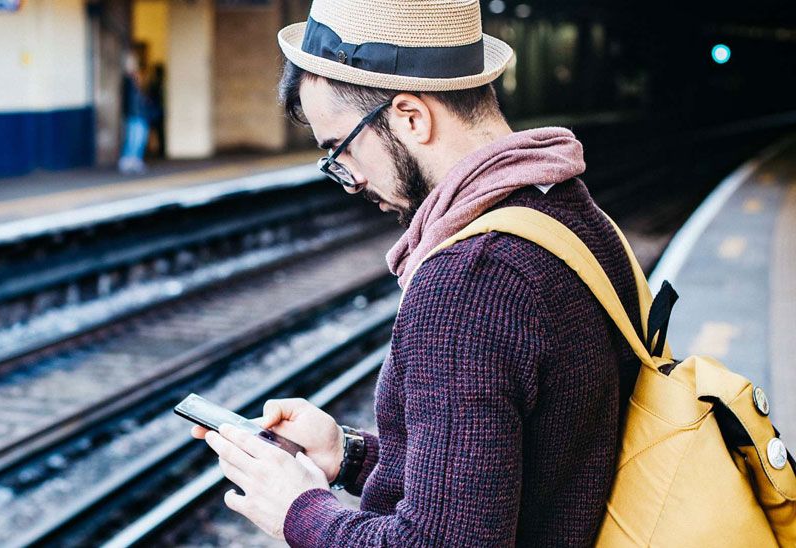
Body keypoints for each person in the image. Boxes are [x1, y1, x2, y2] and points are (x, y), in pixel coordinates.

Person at [191, 0, 641, 545]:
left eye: (341, 149)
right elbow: (515, 472)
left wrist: (299, 510)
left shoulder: (469, 282)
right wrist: (346, 453)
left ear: (411, 116)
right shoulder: (570, 216)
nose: (350, 180)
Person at [119, 50, 151, 174]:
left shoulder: (137, 78)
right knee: (133, 138)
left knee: (140, 137)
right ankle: (128, 160)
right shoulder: (127, 80)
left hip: (141, 113)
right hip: (133, 113)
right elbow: (126, 99)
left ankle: (136, 159)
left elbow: (140, 96)